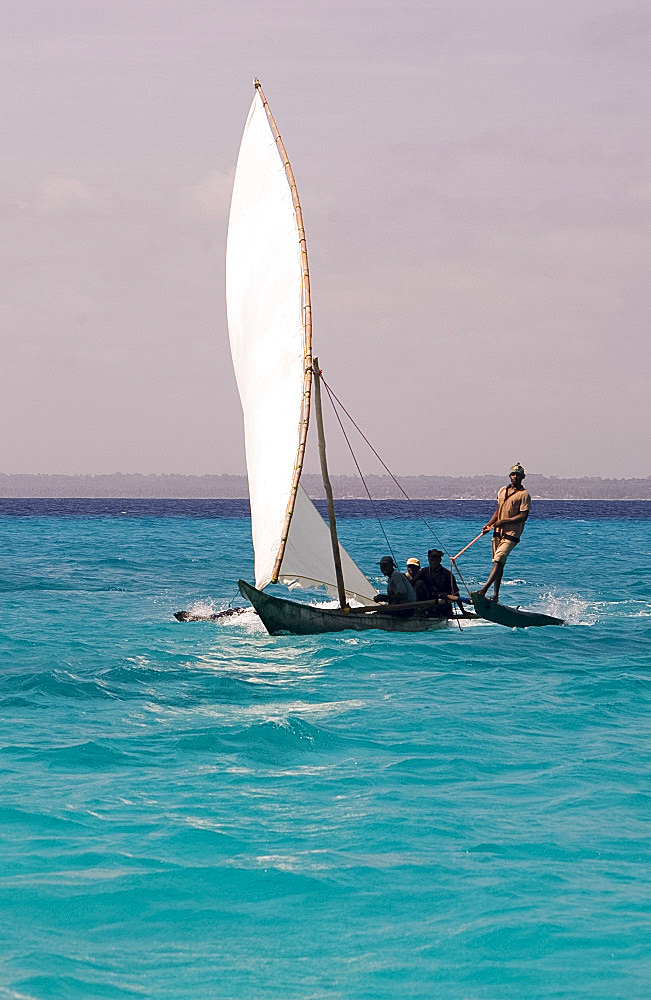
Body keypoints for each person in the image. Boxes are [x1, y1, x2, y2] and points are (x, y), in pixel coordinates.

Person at [476, 463, 531, 602]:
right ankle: (495, 596)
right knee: (498, 563)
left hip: (512, 534)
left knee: (499, 560)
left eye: (518, 475)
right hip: (497, 532)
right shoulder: (502, 491)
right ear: (509, 476)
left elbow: (523, 516)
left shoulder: (524, 495)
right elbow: (498, 511)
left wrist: (504, 521)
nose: (515, 477)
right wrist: (488, 525)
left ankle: (483, 590)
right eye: (513, 474)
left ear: (523, 477)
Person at [414, 548, 465, 617]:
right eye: (431, 560)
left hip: (442, 605)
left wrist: (463, 611)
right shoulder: (423, 571)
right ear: (429, 560)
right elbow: (412, 583)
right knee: (419, 583)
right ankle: (419, 610)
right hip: (427, 604)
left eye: (436, 560)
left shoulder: (447, 574)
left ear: (440, 561)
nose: (433, 562)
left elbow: (456, 594)